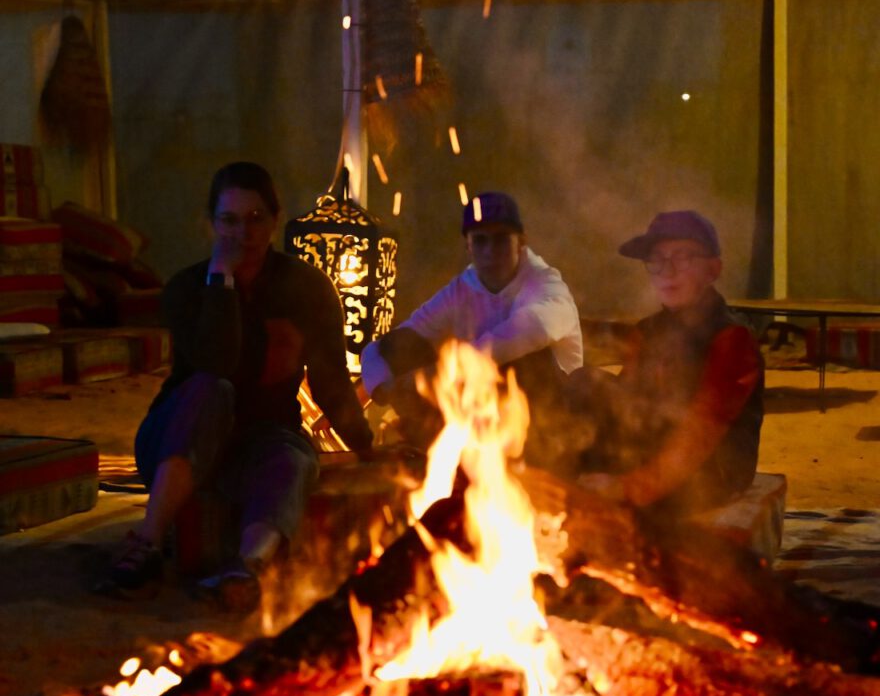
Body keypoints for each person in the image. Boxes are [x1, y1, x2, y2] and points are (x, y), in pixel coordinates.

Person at [98, 161, 374, 608]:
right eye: (229, 220)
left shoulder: (306, 287)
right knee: (213, 390)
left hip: (263, 438)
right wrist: (221, 280)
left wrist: (366, 446)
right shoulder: (186, 288)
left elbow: (330, 382)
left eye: (255, 219)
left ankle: (247, 568)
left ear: (275, 221)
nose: (242, 234)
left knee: (295, 456)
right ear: (210, 224)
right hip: (179, 438)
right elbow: (216, 364)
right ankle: (146, 541)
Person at [360, 191, 583, 461]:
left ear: (521, 242)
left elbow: (533, 328)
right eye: (480, 241)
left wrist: (447, 369)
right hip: (480, 420)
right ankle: (436, 458)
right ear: (468, 246)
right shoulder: (461, 289)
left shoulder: (546, 284)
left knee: (522, 361)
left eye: (501, 239)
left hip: (554, 427)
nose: (490, 251)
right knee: (400, 349)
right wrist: (386, 387)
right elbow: (385, 347)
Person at [569, 210, 763, 517]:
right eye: (656, 260)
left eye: (683, 258)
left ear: (713, 270)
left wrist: (627, 487)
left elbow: (700, 432)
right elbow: (625, 405)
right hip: (655, 449)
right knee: (581, 382)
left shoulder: (731, 338)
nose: (667, 271)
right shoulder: (648, 331)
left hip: (712, 469)